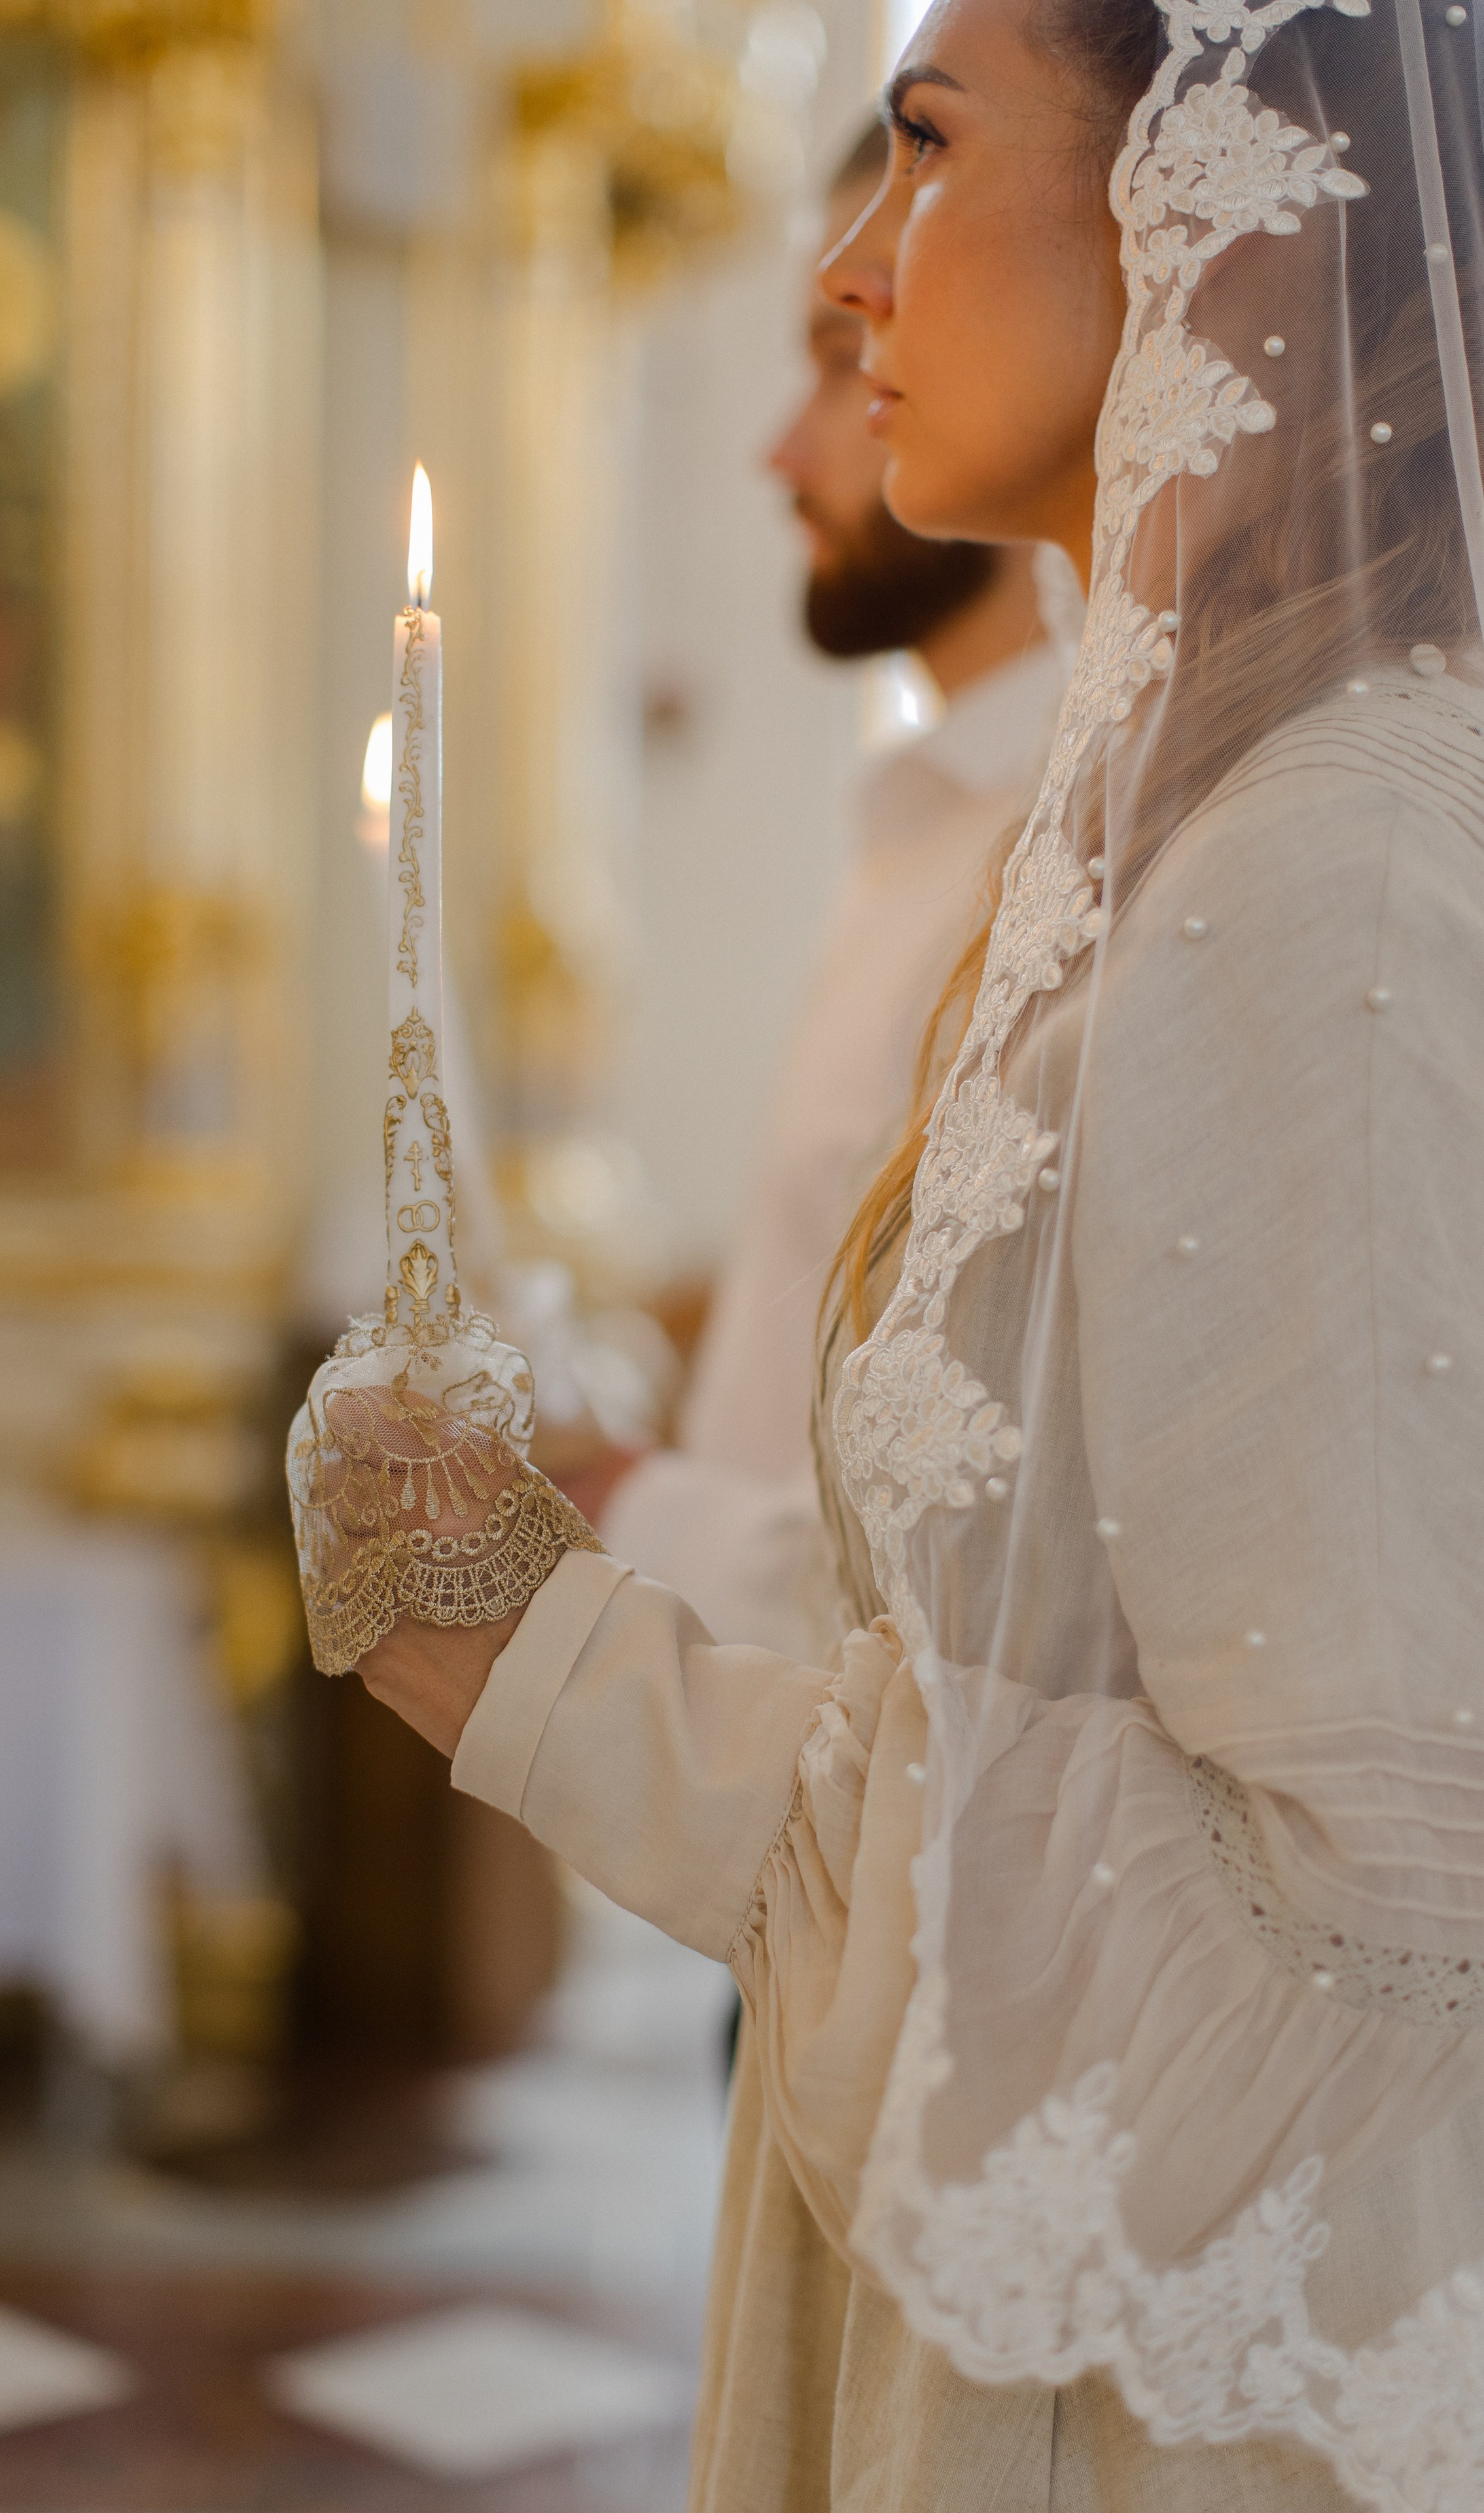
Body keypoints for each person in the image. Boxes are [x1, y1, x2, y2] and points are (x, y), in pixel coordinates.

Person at [296, 0, 1484, 2498]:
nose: (849, 269)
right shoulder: (1174, 815)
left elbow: (1375, 1970)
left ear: (1226, 224)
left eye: (925, 149)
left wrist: (551, 1660)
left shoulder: (1321, 877)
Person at [592, 116, 1070, 1664]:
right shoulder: (919, 825)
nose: (783, 447)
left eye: (840, 348)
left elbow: (1011, 1532)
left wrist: (615, 1502)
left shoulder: (1074, 851)